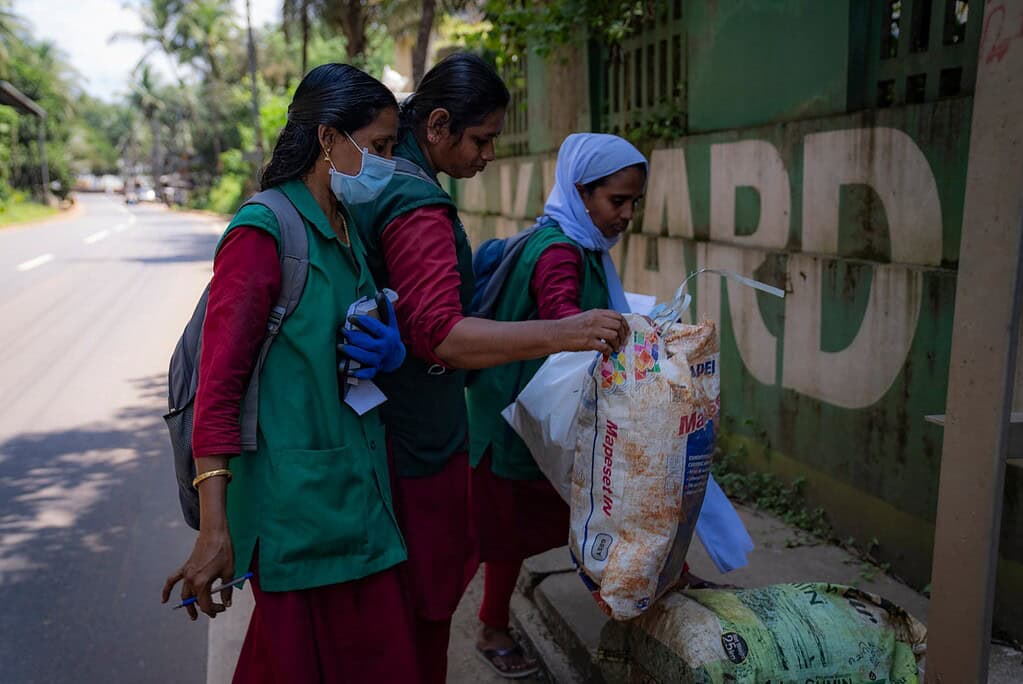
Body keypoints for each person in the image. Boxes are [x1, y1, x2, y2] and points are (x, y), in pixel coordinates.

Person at [350, 54, 629, 684]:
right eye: (483, 138)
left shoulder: (384, 181)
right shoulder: (419, 202)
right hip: (421, 431)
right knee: (428, 595)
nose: (490, 154)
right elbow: (444, 335)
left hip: (391, 421)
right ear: (439, 125)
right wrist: (567, 331)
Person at [161, 64, 419, 683]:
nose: (387, 163)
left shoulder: (348, 227)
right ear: (329, 140)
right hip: (296, 515)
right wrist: (214, 530)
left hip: (359, 495)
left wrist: (390, 352)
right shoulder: (263, 232)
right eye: (378, 148)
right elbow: (217, 392)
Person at [465, 132, 646, 677]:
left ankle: (642, 605)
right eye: (616, 200)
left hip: (535, 419)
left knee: (576, 521)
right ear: (580, 192)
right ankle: (488, 627)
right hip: (518, 425)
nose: (627, 214)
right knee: (499, 537)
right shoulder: (561, 252)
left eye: (634, 202)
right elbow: (567, 321)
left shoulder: (571, 241)